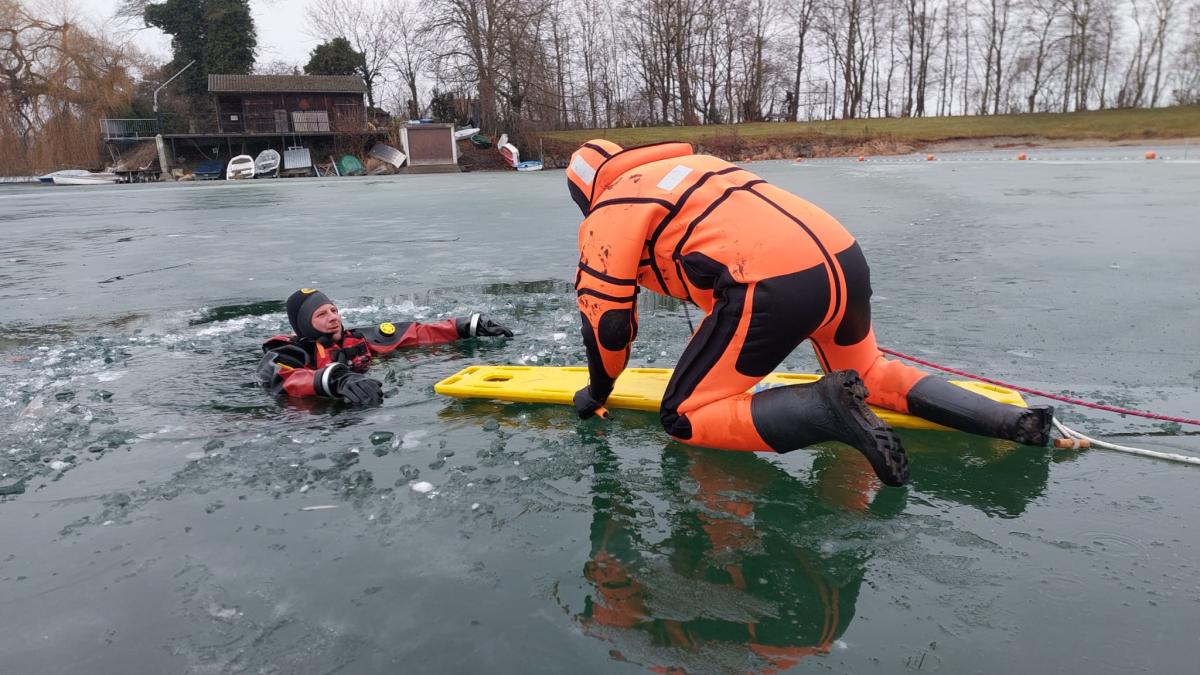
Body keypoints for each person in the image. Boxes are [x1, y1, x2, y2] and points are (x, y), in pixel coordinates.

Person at [565, 139, 1053, 487]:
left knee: (684, 415)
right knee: (870, 371)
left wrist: (598, 390)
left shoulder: (611, 210)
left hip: (768, 281)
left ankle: (827, 410)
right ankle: (1015, 424)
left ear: (583, 194)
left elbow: (607, 323)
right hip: (841, 256)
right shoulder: (697, 166)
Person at [258, 288, 512, 406]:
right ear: (304, 324)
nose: (333, 317)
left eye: (334, 310)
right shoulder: (288, 352)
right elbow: (284, 379)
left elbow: (415, 334)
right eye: (322, 314)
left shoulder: (357, 339)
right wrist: (336, 381)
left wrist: (465, 325)